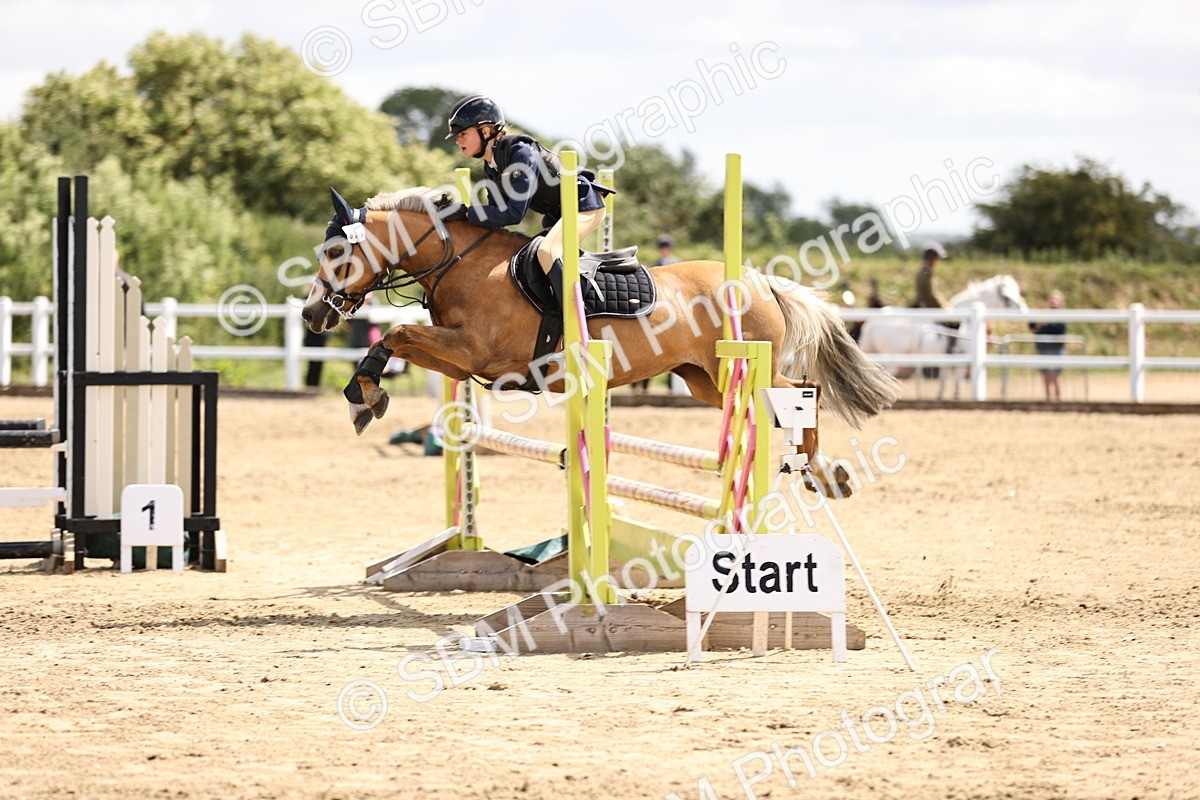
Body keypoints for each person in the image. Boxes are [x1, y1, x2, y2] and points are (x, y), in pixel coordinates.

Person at [442, 95, 612, 309]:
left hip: (583, 205)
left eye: (463, 134)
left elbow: (514, 213)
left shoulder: (520, 152)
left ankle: (578, 318)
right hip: (558, 214)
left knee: (547, 252)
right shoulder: (492, 166)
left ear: (485, 131)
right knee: (528, 258)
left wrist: (467, 213)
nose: (458, 140)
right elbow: (496, 215)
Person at [1029, 290, 1068, 401]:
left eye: (1056, 300)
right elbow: (1032, 326)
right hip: (1043, 348)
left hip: (1056, 349)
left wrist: (1042, 327)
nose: (1053, 302)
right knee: (1045, 376)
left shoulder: (1062, 316)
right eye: (1052, 299)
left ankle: (1058, 398)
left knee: (1055, 377)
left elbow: (1058, 330)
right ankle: (1048, 399)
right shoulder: (1043, 315)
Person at [911, 242, 948, 309]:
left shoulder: (921, 272)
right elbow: (933, 294)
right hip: (928, 308)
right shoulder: (927, 274)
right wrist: (943, 306)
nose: (938, 261)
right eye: (937, 259)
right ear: (932, 259)